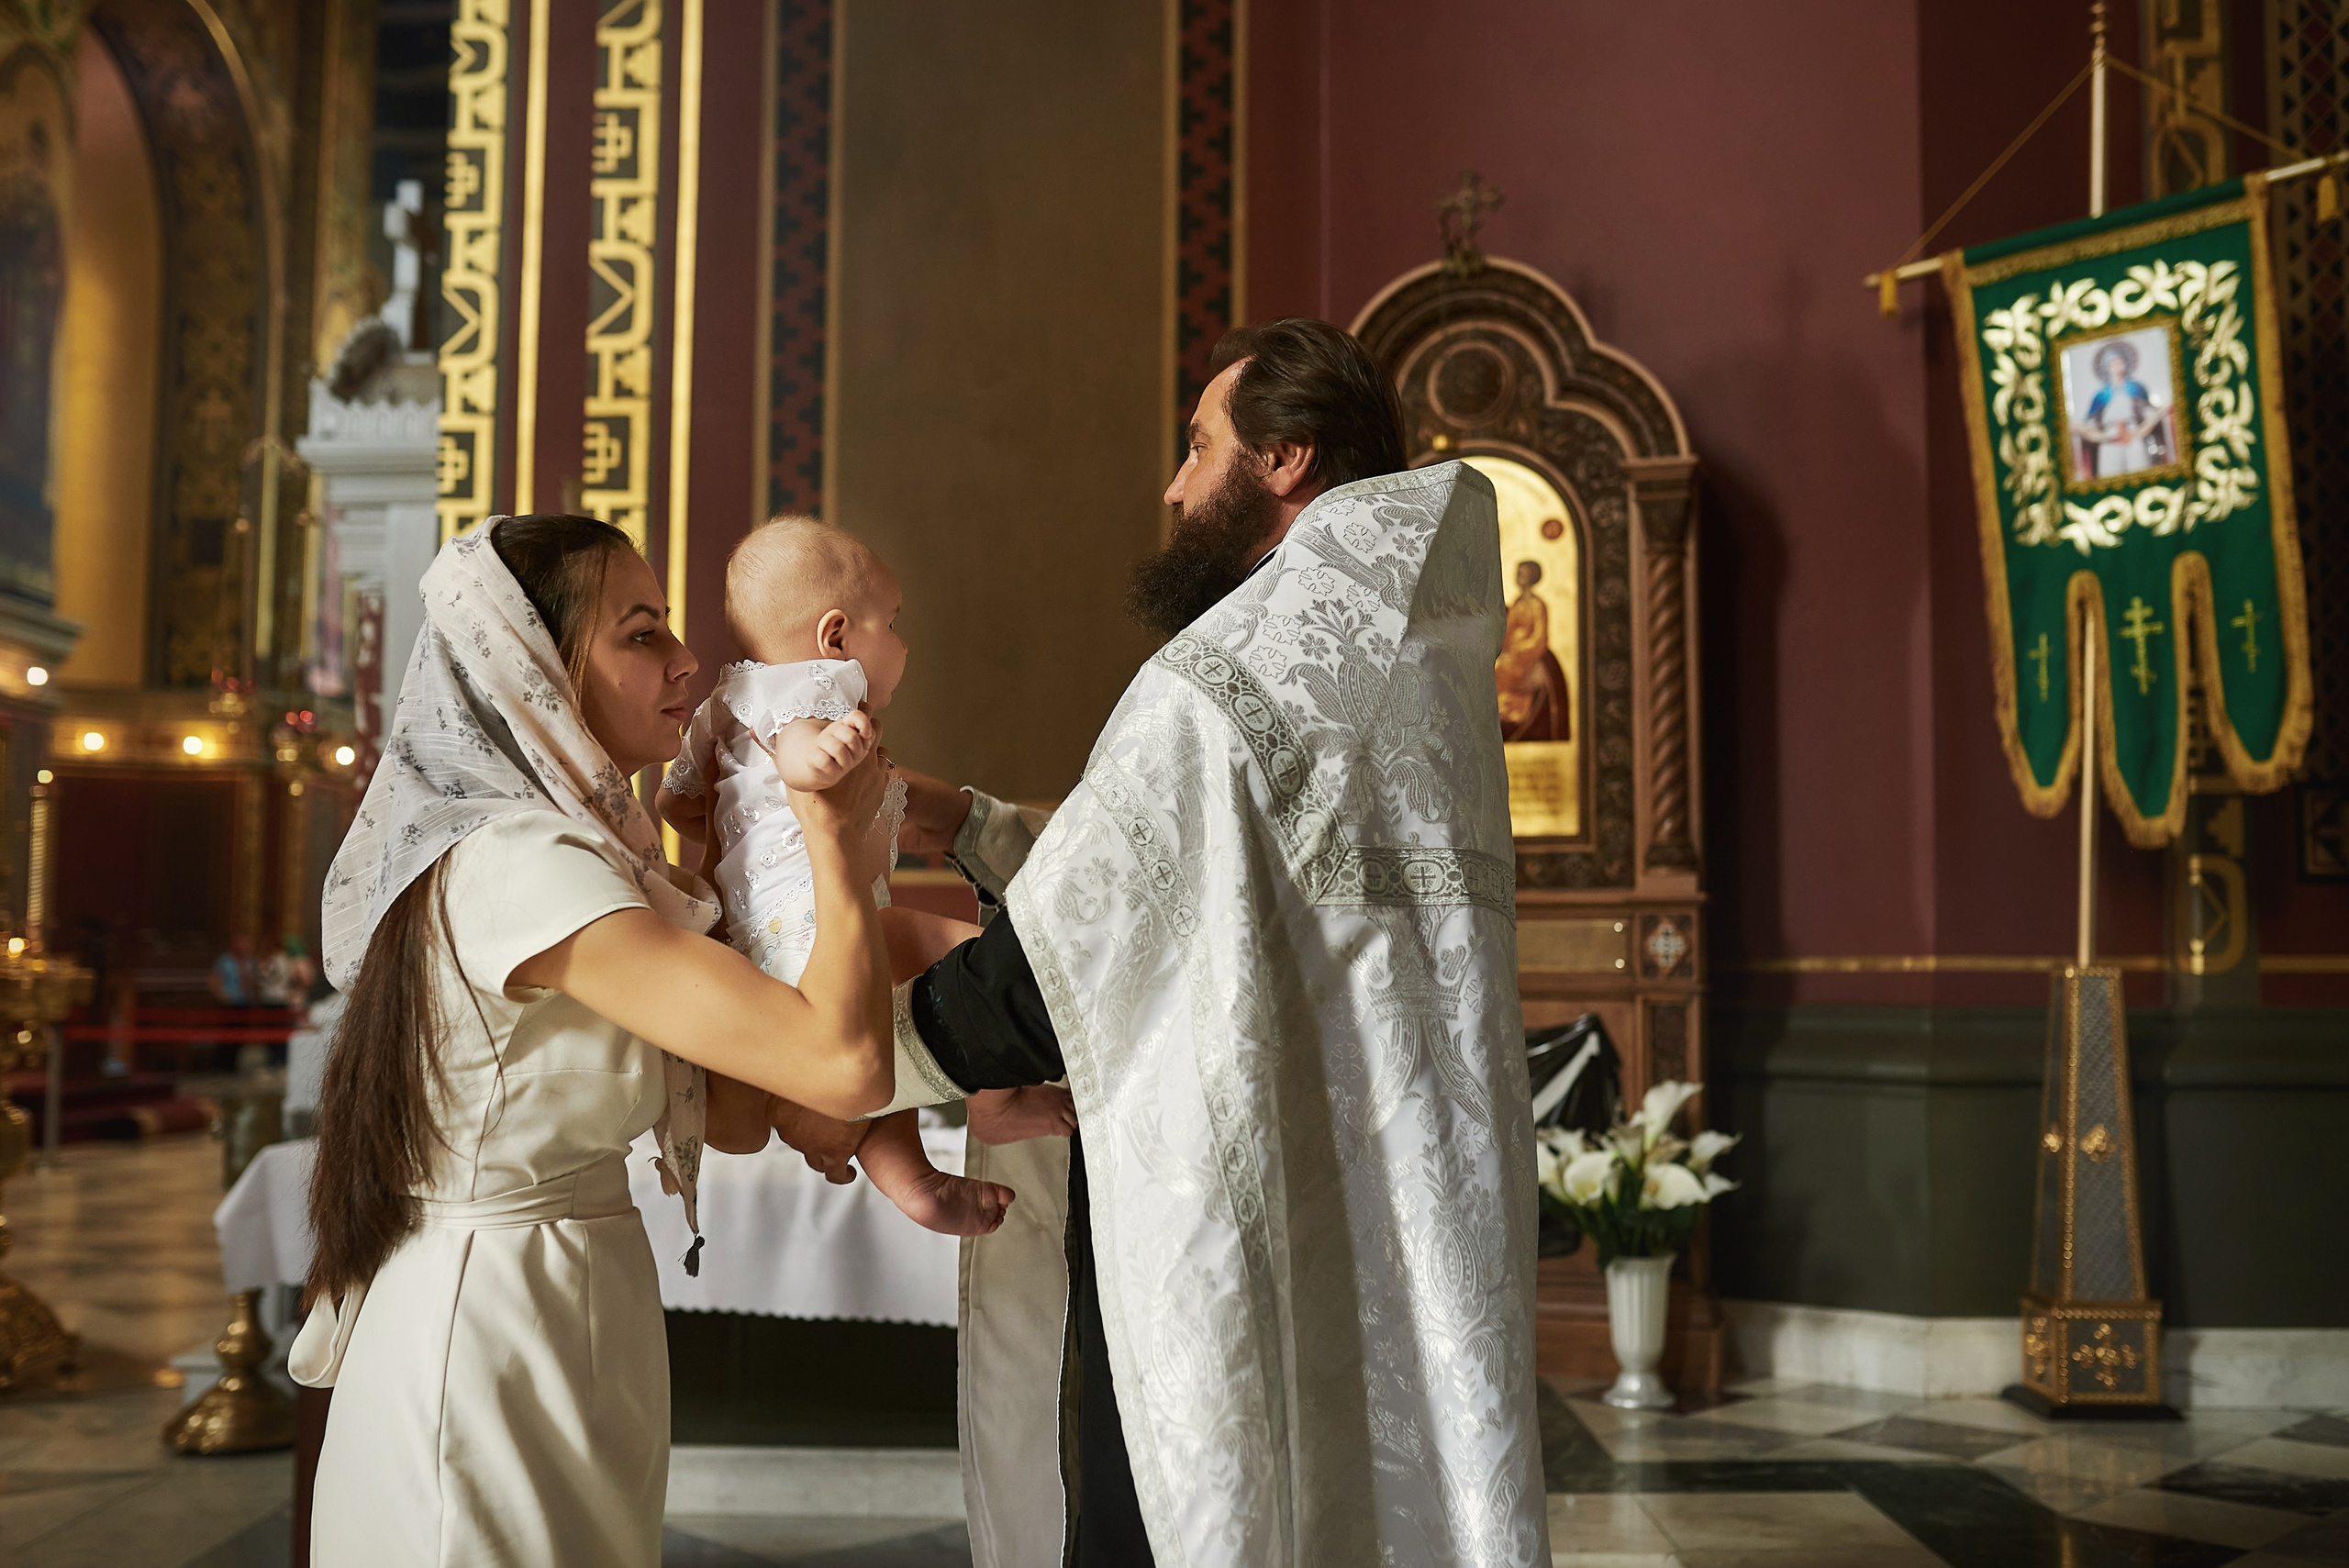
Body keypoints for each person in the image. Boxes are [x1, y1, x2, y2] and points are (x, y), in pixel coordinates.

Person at [789, 319, 1546, 1566]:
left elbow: (1078, 955)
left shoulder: (1232, 672)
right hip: (1399, 1206)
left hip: (1237, 1222)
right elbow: (1219, 896)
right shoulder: (1410, 658)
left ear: (1286, 457)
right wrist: (971, 822)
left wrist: (851, 1070)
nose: (1175, 485)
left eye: (1199, 446)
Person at [292, 514, 898, 1568]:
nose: (688, 660)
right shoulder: (523, 860)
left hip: (568, 1292)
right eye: (642, 633)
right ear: (534, 664)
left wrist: (724, 848)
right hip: (488, 1328)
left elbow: (738, 1115)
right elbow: (843, 1065)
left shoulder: (589, 853)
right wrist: (828, 829)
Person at [656, 515, 1074, 1237]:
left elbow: (674, 803)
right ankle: (997, 1103)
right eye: (894, 622)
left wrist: (740, 845)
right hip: (815, 922)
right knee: (978, 958)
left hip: (766, 939)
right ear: (837, 637)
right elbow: (798, 757)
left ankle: (913, 1182)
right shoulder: (816, 690)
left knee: (883, 1034)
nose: (902, 642)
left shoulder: (727, 701)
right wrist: (824, 757)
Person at [1496, 557, 1573, 742]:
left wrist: (1518, 650)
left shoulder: (1537, 605)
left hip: (1528, 654)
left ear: (1531, 577)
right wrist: (1502, 648)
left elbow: (1539, 638)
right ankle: (1502, 710)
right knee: (1497, 665)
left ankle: (1514, 712)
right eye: (1518, 573)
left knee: (1504, 668)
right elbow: (1508, 632)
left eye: (1522, 573)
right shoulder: (1517, 603)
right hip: (1513, 653)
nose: (1518, 576)